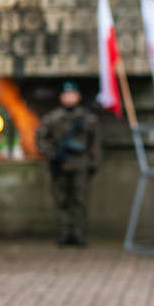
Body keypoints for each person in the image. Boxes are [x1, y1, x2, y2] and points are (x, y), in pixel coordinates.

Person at [36, 80, 101, 246]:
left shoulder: (86, 118)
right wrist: (53, 155)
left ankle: (78, 234)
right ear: (61, 97)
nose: (69, 97)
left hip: (81, 165)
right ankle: (64, 233)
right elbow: (41, 139)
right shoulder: (53, 118)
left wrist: (94, 162)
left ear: (78, 96)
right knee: (61, 200)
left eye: (72, 94)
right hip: (60, 166)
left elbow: (95, 142)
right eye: (66, 94)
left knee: (80, 201)